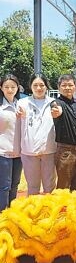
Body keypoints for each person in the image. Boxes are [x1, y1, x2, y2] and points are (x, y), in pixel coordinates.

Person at [17, 73, 57, 195]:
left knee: (49, 188)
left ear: (46, 87)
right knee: (33, 187)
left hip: (49, 151)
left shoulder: (54, 103)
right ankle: (33, 213)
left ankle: (50, 213)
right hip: (29, 152)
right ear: (30, 86)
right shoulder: (22, 103)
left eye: (42, 85)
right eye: (35, 85)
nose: (39, 88)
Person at [0, 74, 22, 211]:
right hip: (3, 152)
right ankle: (3, 215)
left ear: (17, 88)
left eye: (13, 87)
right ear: (1, 88)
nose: (10, 89)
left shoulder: (21, 105)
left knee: (15, 184)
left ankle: (12, 214)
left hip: (19, 153)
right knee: (4, 186)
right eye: (6, 87)